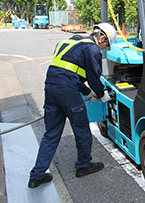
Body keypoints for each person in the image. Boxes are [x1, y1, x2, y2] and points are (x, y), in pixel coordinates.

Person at [28, 23, 117, 188]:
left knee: (51, 134)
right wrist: (101, 94)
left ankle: (37, 175)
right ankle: (84, 165)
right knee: (81, 129)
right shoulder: (92, 49)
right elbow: (93, 77)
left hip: (51, 87)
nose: (104, 49)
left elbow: (69, 71)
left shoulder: (68, 42)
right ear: (103, 37)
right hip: (67, 91)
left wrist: (86, 92)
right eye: (106, 46)